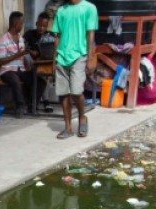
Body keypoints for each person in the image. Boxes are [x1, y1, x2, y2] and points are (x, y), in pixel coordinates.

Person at [52, 0, 98, 139]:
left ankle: (82, 117)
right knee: (63, 94)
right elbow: (57, 36)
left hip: (80, 55)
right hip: (61, 56)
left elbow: (90, 34)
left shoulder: (89, 8)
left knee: (77, 91)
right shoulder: (61, 11)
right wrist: (53, 60)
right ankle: (68, 128)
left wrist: (90, 58)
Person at [0, 11, 34, 116]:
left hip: (20, 69)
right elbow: (0, 61)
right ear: (16, 24)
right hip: (7, 71)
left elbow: (22, 56)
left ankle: (31, 104)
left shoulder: (21, 39)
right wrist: (17, 54)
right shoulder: (3, 40)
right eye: (21, 23)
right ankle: (20, 106)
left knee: (37, 79)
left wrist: (27, 58)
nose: (22, 26)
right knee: (15, 80)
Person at [23, 11, 56, 112]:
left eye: (44, 26)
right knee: (41, 75)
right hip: (32, 65)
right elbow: (22, 48)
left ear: (47, 26)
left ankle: (38, 103)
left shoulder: (50, 35)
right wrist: (30, 52)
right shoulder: (29, 34)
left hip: (46, 63)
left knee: (45, 75)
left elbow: (53, 50)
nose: (42, 28)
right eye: (40, 25)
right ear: (36, 24)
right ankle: (45, 102)